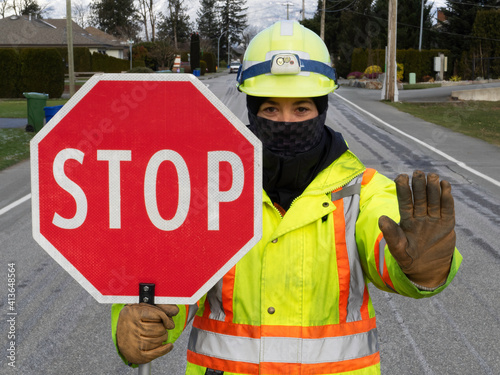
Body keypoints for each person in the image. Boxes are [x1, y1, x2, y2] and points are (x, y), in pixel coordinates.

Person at [111, 20, 462, 374]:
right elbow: (168, 279)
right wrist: (134, 325)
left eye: (301, 109)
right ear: (252, 112)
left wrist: (425, 269)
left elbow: (390, 240)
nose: (286, 122)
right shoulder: (210, 191)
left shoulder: (362, 191)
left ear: (321, 110)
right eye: (270, 110)